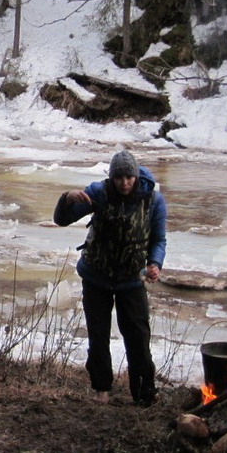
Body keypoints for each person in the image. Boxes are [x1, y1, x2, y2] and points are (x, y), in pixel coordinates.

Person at [53, 149, 166, 406]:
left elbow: (158, 239)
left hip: (132, 279)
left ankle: (144, 393)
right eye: (119, 178)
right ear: (111, 178)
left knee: (138, 337)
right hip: (97, 276)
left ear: (136, 177)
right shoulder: (98, 193)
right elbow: (61, 220)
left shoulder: (153, 200)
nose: (124, 183)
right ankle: (101, 388)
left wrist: (155, 264)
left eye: (129, 177)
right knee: (98, 335)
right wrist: (67, 199)